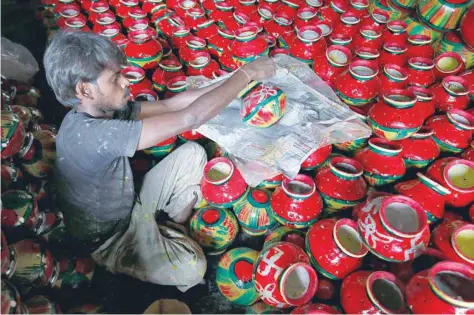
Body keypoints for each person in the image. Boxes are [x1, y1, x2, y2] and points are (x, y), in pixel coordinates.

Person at [43, 30, 276, 292]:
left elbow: (172, 105)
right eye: (115, 78)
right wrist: (248, 74)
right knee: (192, 268)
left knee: (193, 153)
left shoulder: (104, 110)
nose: (126, 82)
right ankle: (145, 245)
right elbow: (190, 118)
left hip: (128, 203)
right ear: (84, 89)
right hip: (110, 239)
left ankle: (165, 224)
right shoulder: (92, 135)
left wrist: (238, 79)